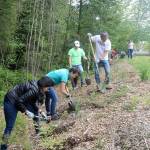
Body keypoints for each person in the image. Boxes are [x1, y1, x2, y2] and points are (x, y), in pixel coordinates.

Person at [0, 77, 54, 150]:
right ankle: (3, 147)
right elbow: (19, 101)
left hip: (19, 99)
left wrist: (41, 112)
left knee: (35, 112)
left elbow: (32, 102)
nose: (49, 89)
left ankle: (39, 133)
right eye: (48, 87)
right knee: (9, 126)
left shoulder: (38, 88)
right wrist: (26, 111)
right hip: (11, 100)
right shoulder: (34, 90)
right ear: (44, 86)